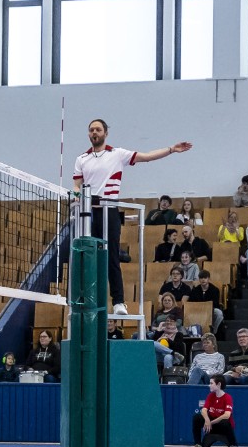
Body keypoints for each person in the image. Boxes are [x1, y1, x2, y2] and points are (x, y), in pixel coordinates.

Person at [71, 118, 194, 315]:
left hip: (109, 209)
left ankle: (119, 301)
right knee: (88, 256)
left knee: (111, 255)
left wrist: (171, 149)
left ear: (105, 133)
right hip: (88, 212)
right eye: (91, 129)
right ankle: (86, 299)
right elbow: (76, 185)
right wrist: (77, 196)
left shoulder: (117, 154)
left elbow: (146, 157)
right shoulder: (81, 159)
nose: (94, 132)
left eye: (98, 129)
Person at [191, 373, 239, 447]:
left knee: (225, 421)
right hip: (211, 426)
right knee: (197, 418)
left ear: (219, 384)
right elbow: (204, 410)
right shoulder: (211, 396)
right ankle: (198, 445)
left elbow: (227, 415)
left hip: (222, 427)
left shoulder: (227, 397)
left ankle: (233, 446)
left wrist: (210, 423)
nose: (209, 385)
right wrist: (207, 420)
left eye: (211, 383)